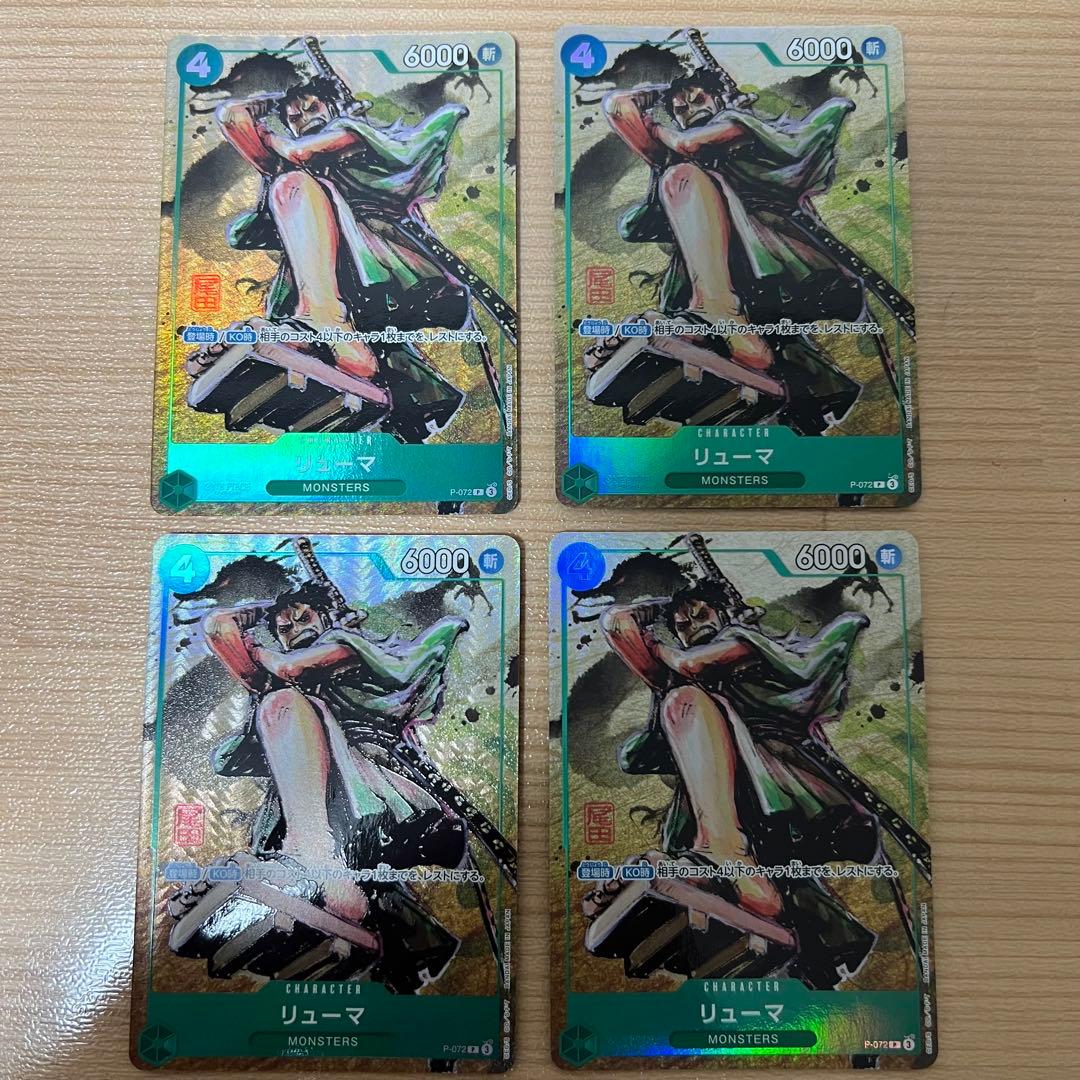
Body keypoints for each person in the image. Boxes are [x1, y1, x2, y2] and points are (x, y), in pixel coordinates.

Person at [591, 577, 882, 985]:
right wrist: (661, 608)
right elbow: (617, 624)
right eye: (682, 625)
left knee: (683, 700)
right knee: (681, 699)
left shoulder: (744, 641)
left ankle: (725, 857)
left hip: (777, 775)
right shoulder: (689, 680)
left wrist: (664, 642)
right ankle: (738, 877)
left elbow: (689, 665)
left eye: (701, 614)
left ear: (725, 613)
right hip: (723, 788)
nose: (692, 625)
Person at [203, 581, 468, 925]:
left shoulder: (345, 645)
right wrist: (265, 609)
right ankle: (333, 881)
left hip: (378, 784)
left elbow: (288, 668)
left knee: (281, 702)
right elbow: (218, 628)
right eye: (285, 629)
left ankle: (313, 857)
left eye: (304, 618)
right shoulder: (288, 689)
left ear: (326, 617)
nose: (296, 630)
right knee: (278, 703)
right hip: (319, 793)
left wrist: (257, 649)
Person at [214, 77, 471, 385]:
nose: (305, 118)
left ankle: (326, 322)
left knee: (291, 183)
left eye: (313, 108)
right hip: (325, 263)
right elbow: (232, 117)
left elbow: (298, 152)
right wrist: (274, 101)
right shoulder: (294, 170)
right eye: (294, 118)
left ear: (333, 106)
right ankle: (328, 334)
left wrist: (268, 135)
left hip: (379, 254)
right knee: (289, 183)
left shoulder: (350, 132)